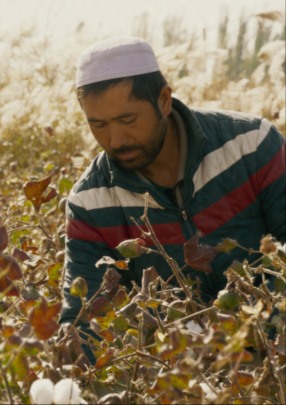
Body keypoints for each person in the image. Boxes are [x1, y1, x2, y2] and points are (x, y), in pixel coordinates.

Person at [60, 37, 285, 327]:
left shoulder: (251, 145)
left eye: (128, 120)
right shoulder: (91, 203)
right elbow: (83, 320)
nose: (115, 140)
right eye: (98, 125)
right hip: (180, 364)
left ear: (164, 100)